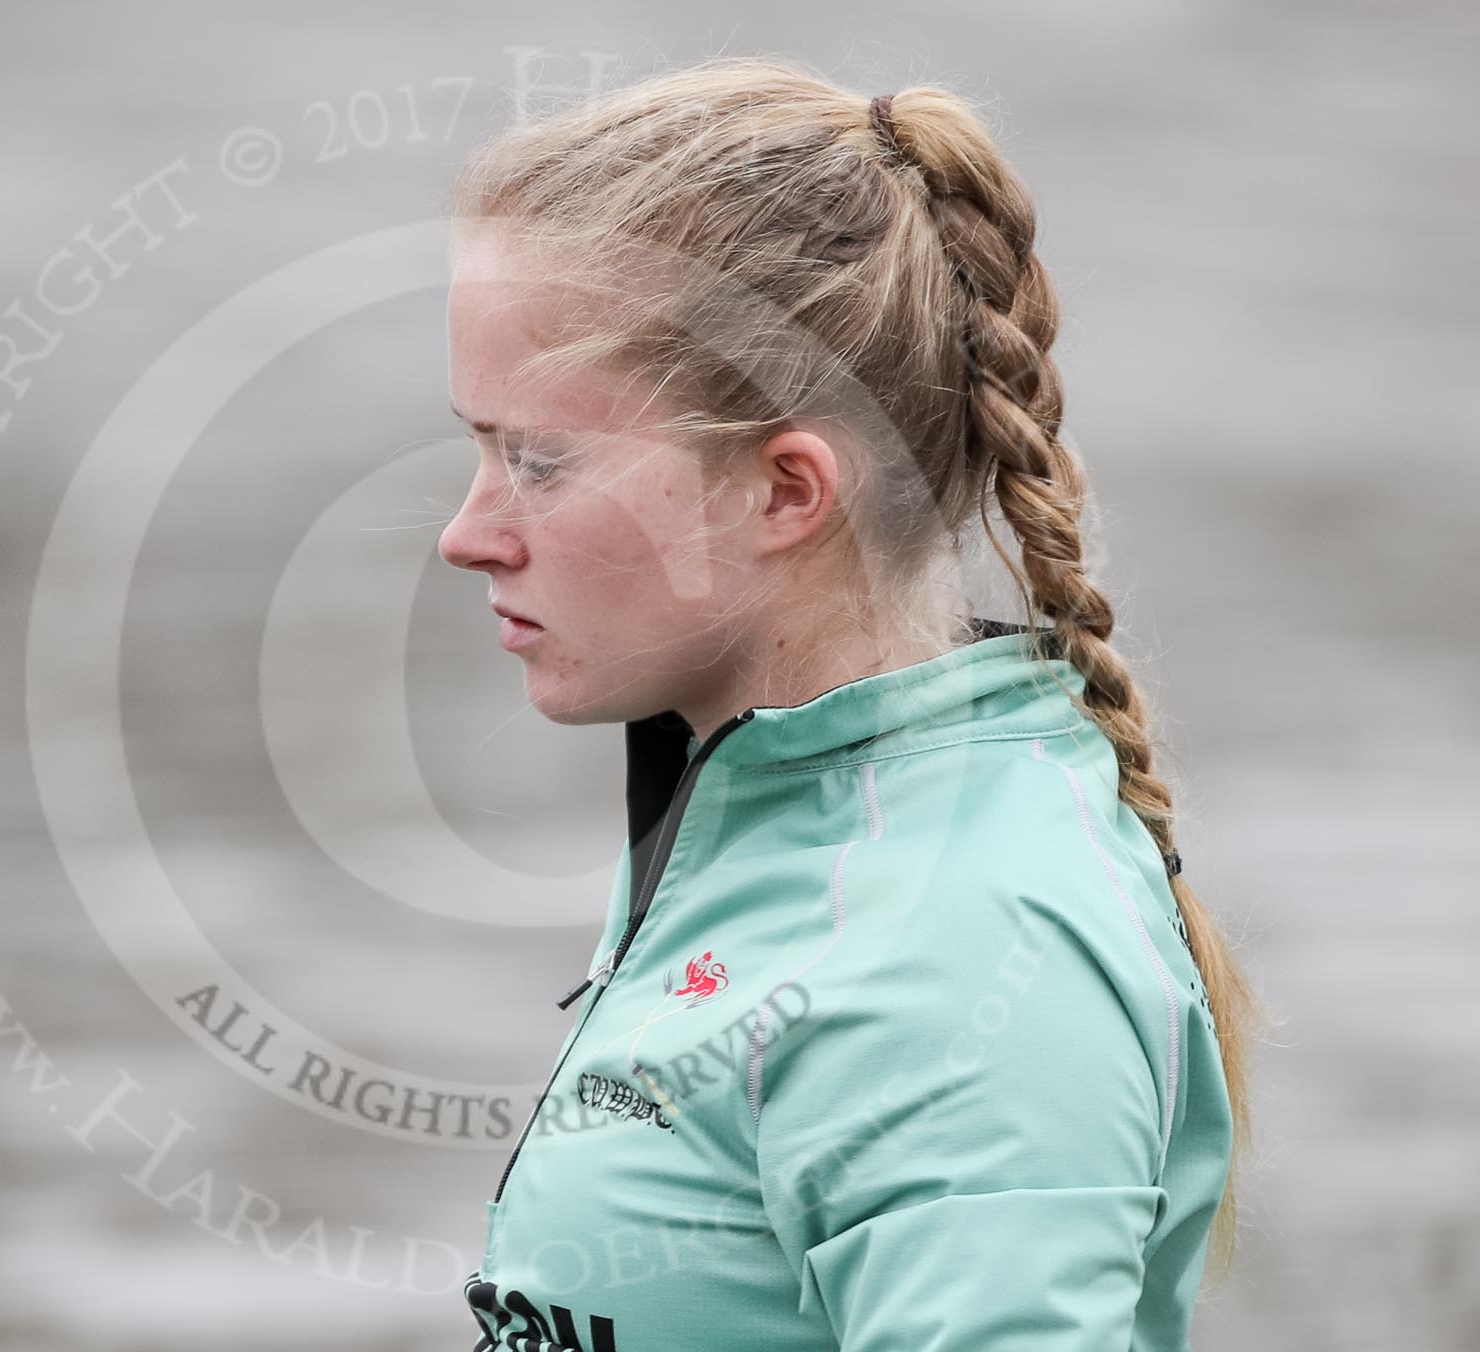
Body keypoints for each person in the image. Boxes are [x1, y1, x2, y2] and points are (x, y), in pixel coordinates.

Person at [435, 55, 1259, 1351]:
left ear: (783, 493)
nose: (467, 534)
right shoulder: (770, 813)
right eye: (476, 448)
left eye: (536, 460)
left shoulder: (963, 952)